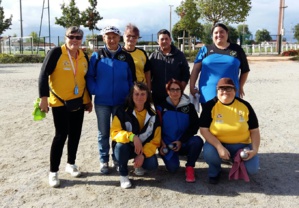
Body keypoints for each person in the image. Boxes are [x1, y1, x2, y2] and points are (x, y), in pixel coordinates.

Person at [38, 26, 92, 188]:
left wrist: (88, 100)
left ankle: (71, 164)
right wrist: (43, 98)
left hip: (79, 101)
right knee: (61, 135)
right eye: (71, 36)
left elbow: (85, 79)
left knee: (75, 134)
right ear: (65, 37)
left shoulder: (84, 56)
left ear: (82, 39)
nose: (74, 40)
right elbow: (43, 74)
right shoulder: (56, 53)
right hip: (60, 102)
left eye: (78, 37)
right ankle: (53, 172)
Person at [86, 26, 136, 174]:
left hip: (121, 102)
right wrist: (96, 90)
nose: (111, 39)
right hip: (102, 102)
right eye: (108, 36)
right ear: (104, 38)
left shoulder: (126, 57)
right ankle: (104, 160)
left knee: (118, 132)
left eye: (114, 36)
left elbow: (131, 79)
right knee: (103, 132)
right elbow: (89, 76)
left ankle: (117, 159)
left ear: (119, 38)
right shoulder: (97, 56)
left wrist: (128, 94)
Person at [199, 78, 260, 184]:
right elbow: (204, 130)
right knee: (209, 152)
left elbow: (254, 130)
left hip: (241, 145)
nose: (225, 91)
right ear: (217, 90)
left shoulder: (245, 106)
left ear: (235, 91)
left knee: (252, 169)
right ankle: (215, 170)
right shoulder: (210, 106)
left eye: (229, 89)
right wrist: (219, 147)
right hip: (218, 143)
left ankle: (235, 160)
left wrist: (254, 150)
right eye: (221, 88)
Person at [110, 82, 161, 188]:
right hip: (126, 147)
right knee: (120, 147)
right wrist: (132, 137)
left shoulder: (153, 114)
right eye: (136, 94)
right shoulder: (122, 111)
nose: (139, 97)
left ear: (147, 96)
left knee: (152, 165)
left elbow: (156, 140)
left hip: (142, 149)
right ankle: (123, 174)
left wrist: (143, 155)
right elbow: (114, 132)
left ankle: (138, 164)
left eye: (143, 94)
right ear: (131, 95)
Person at [190, 23, 250, 104]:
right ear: (212, 35)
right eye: (216, 33)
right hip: (208, 93)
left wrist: (240, 86)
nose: (219, 34)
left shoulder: (237, 49)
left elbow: (245, 70)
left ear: (227, 33)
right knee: (208, 116)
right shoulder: (205, 50)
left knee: (230, 115)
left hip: (230, 92)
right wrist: (192, 86)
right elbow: (196, 69)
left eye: (222, 32)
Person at [157, 79, 203, 183]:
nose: (175, 92)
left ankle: (190, 167)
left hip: (183, 142)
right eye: (172, 89)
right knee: (173, 169)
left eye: (177, 89)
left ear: (181, 91)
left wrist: (181, 141)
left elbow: (195, 126)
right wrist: (161, 143)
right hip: (167, 144)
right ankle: (169, 157)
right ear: (168, 91)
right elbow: (156, 127)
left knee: (197, 141)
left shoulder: (189, 107)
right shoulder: (161, 107)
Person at [149, 29, 190, 105]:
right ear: (158, 41)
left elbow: (186, 74)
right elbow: (148, 75)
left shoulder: (179, 55)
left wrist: (180, 90)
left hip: (174, 97)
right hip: (157, 97)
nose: (164, 41)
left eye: (166, 39)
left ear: (170, 40)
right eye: (162, 39)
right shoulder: (153, 57)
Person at [123, 23, 151, 89]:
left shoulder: (142, 53)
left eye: (134, 36)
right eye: (128, 36)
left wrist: (149, 89)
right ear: (124, 36)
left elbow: (147, 72)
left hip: (140, 91)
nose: (131, 39)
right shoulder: (119, 53)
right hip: (123, 90)